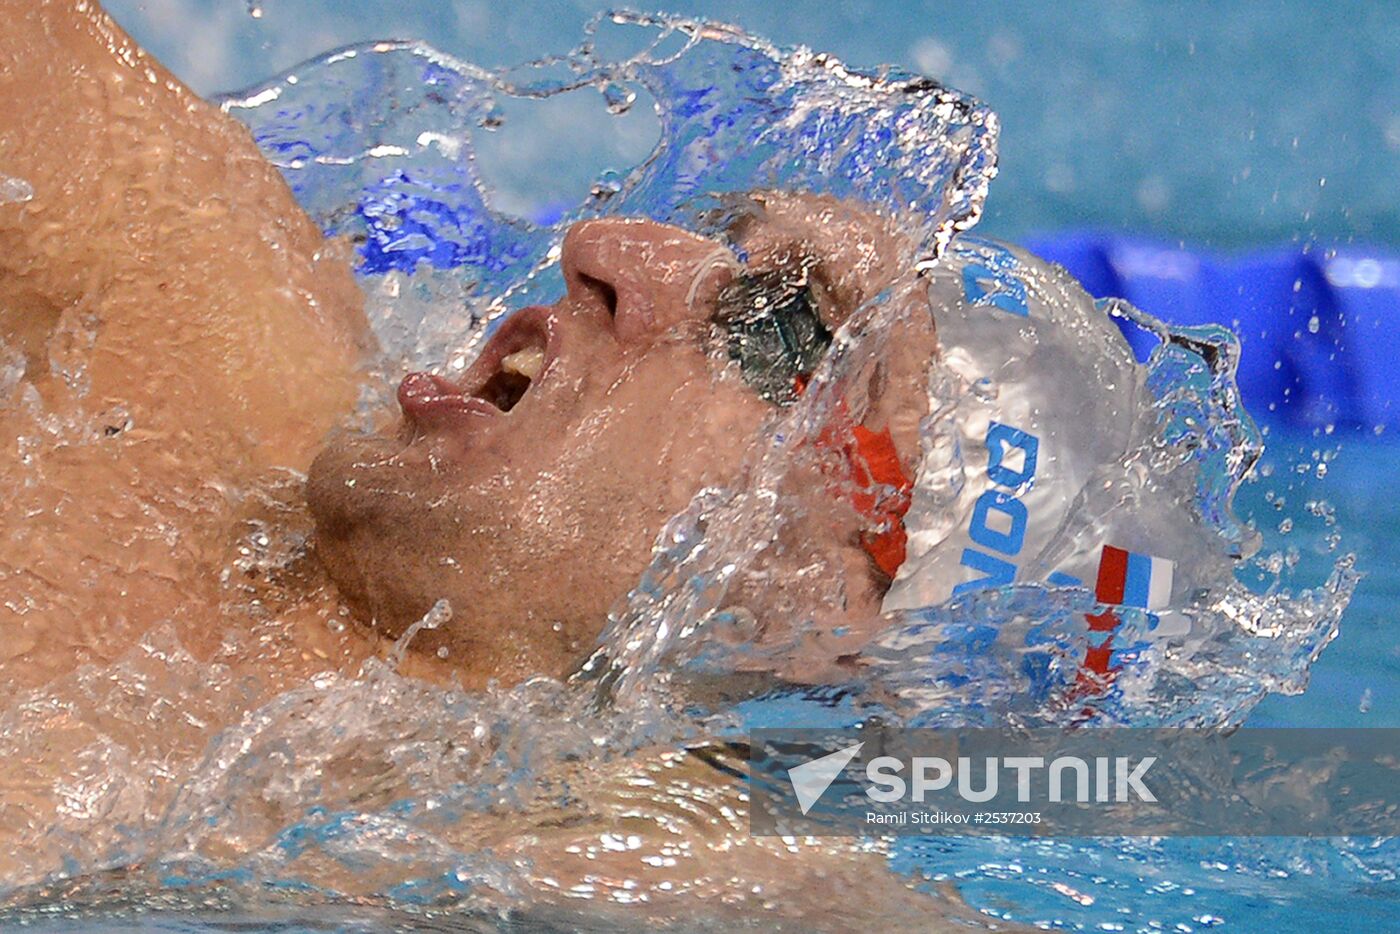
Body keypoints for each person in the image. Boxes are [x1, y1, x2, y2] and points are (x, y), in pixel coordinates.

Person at [0, 2, 975, 923]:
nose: (604, 245)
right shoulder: (191, 330)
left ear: (818, 604)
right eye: (719, 246)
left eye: (771, 329)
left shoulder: (629, 855)